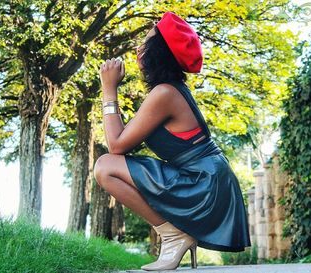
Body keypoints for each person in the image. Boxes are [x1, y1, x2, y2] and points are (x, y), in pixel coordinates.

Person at [94, 11, 251, 271]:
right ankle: (174, 236)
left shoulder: (165, 93)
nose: (137, 49)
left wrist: (109, 89)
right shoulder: (169, 91)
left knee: (105, 166)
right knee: (107, 165)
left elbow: (116, 146)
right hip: (202, 176)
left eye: (144, 43)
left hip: (203, 181)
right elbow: (120, 140)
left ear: (157, 52)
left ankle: (173, 236)